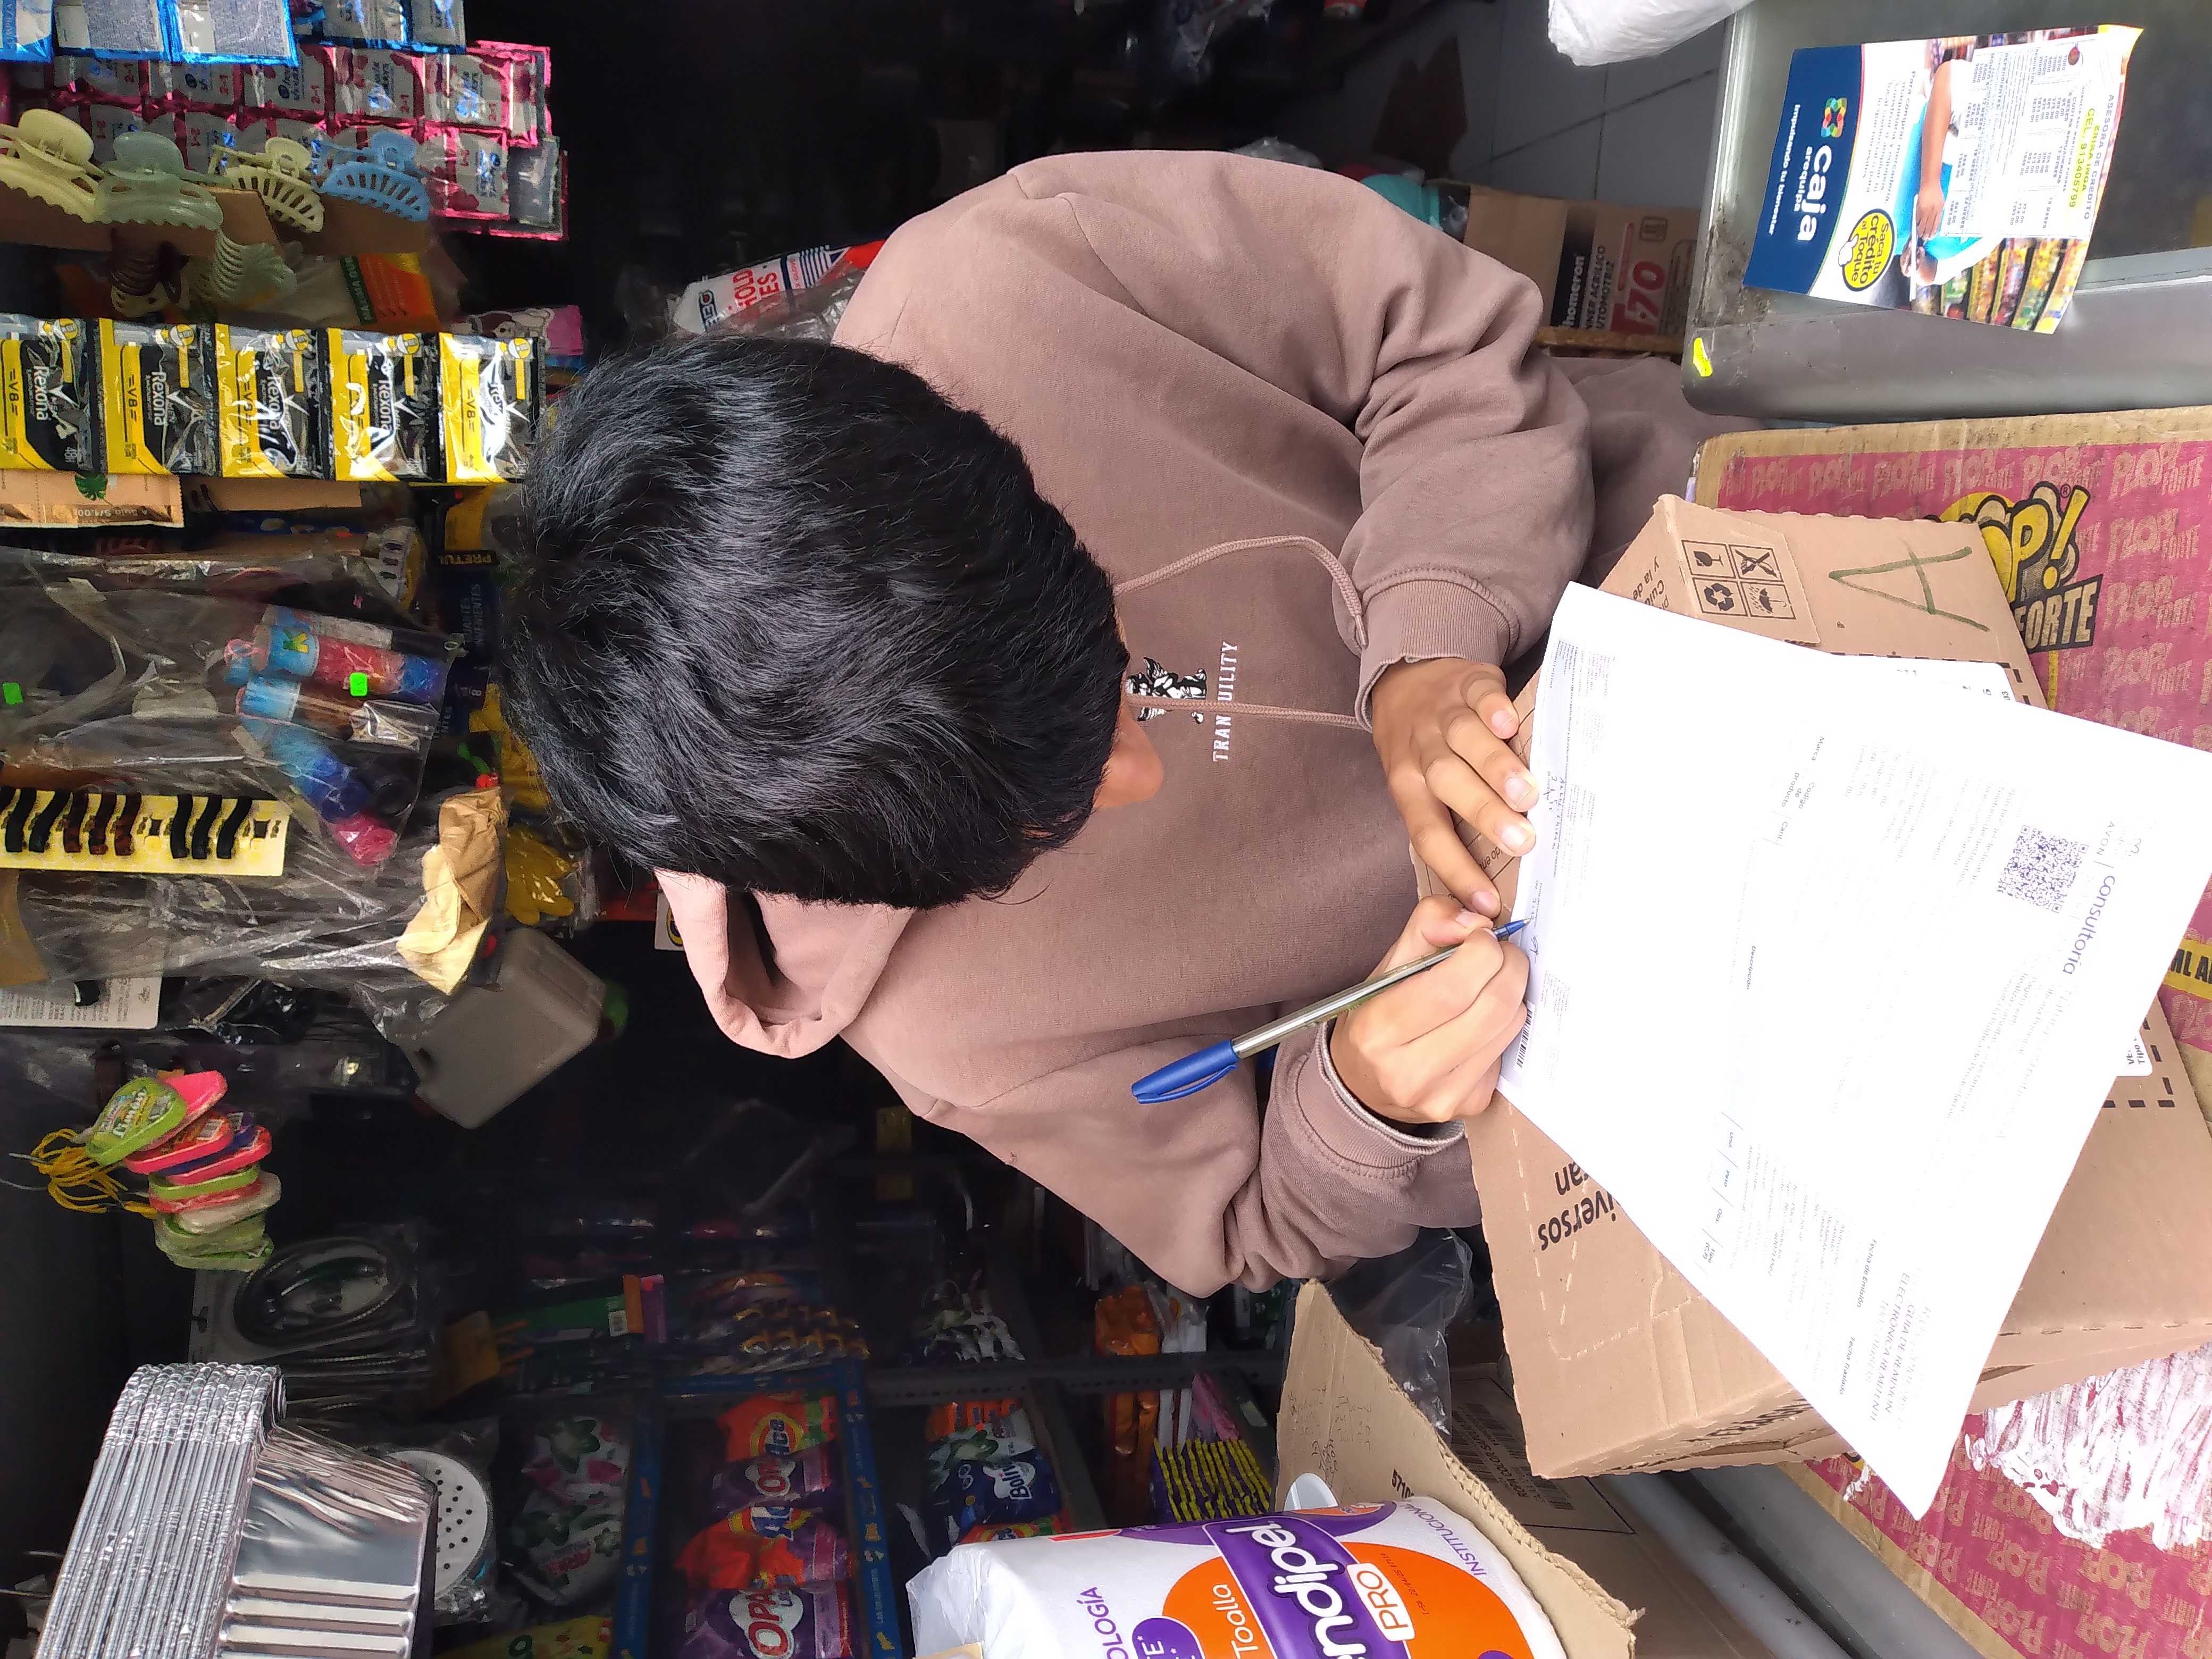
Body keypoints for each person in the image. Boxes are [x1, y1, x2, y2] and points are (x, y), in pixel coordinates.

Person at [508, 151, 1724, 1295]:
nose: (1140, 773)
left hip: (1714, 552)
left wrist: (1431, 627)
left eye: (1109, 656)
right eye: (1055, 817)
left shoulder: (1004, 276)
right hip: (1689, 1022)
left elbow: (1436, 330)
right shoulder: (949, 1039)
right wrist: (1364, 1102)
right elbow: (1253, 1227)